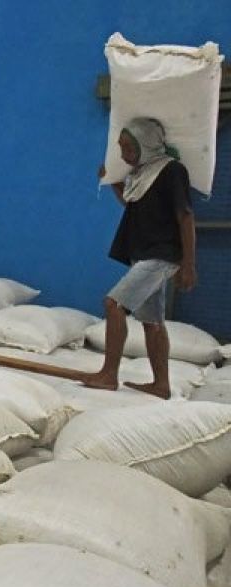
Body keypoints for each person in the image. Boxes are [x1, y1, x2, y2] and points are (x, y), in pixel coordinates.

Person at [81, 117, 197, 398]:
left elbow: (185, 216)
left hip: (161, 254)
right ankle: (161, 385)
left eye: (127, 147)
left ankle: (109, 374)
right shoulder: (142, 174)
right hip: (143, 253)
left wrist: (188, 264)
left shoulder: (171, 171)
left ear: (145, 144)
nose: (123, 154)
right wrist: (111, 182)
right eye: (120, 147)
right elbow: (132, 204)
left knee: (114, 304)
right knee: (152, 321)